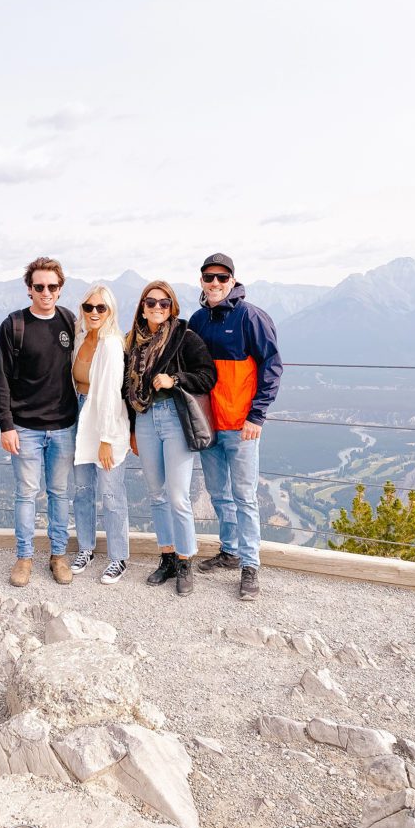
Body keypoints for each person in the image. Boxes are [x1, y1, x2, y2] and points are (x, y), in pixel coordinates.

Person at [189, 253, 282, 600]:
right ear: (201, 281)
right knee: (218, 493)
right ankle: (230, 551)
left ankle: (250, 565)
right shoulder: (198, 320)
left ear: (232, 281)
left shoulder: (250, 317)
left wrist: (257, 415)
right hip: (208, 426)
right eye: (208, 277)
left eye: (221, 278)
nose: (214, 283)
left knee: (244, 497)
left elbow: (272, 366)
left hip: (241, 426)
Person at [0, 256, 78, 588]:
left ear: (60, 288)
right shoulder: (14, 325)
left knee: (59, 493)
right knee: (26, 495)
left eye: (52, 286)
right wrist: (6, 425)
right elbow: (0, 379)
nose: (46, 292)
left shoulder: (69, 322)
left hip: (63, 425)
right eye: (39, 286)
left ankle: (58, 556)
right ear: (29, 289)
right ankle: (24, 558)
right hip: (24, 427)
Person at [125, 281, 216, 596]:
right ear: (142, 306)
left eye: (164, 304)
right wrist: (132, 430)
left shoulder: (184, 337)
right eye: (151, 303)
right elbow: (128, 391)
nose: (157, 308)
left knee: (177, 496)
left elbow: (207, 376)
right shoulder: (133, 343)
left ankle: (185, 560)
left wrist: (174, 379)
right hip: (145, 420)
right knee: (156, 494)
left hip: (175, 421)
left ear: (172, 307)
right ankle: (166, 557)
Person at [71, 284, 131, 584]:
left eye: (100, 308)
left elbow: (109, 394)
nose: (94, 313)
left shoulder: (110, 345)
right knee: (82, 490)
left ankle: (119, 557)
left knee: (110, 492)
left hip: (105, 418)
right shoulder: (80, 337)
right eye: (89, 307)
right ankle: (85, 547)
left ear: (110, 311)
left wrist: (106, 439)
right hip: (81, 416)